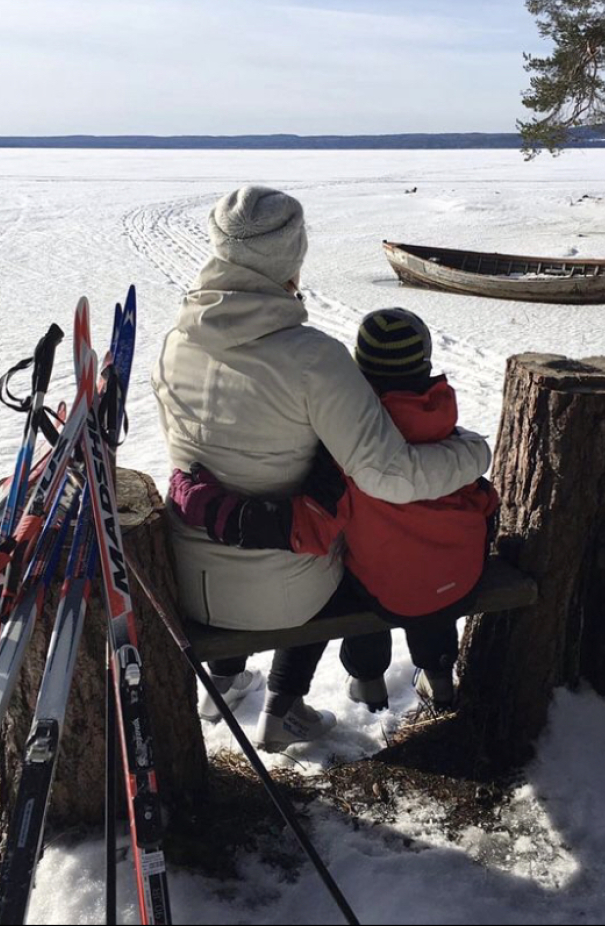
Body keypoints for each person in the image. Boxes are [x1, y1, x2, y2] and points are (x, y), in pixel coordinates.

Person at [151, 186, 491, 750]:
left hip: (190, 578)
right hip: (284, 590)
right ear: (292, 255)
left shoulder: (175, 342)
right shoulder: (314, 359)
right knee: (355, 561)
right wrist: (474, 453)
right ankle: (288, 706)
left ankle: (226, 682)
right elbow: (389, 476)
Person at [170, 307, 499, 714]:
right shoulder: (446, 425)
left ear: (359, 371)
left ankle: (368, 684)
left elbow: (310, 528)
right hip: (462, 575)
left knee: (351, 574)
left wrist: (211, 508)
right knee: (422, 574)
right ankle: (440, 683)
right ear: (425, 365)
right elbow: (483, 501)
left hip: (389, 591)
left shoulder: (350, 441)